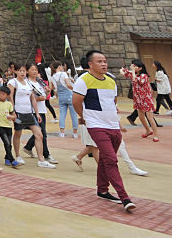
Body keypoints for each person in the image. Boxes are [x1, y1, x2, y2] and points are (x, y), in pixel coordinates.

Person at [72, 49, 136, 211]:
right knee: (111, 160)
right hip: (96, 125)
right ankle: (124, 197)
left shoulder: (111, 81)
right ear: (90, 64)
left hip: (112, 125)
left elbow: (113, 102)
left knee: (106, 159)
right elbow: (76, 102)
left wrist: (117, 122)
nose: (104, 64)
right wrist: (85, 117)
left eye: (105, 61)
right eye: (99, 61)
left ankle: (102, 190)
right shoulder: (83, 80)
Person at [8, 65, 53, 168]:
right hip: (18, 113)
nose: (22, 73)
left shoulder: (28, 83)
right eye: (20, 71)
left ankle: (41, 160)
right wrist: (13, 112)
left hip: (29, 113)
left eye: (23, 71)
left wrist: (37, 113)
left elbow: (32, 98)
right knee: (18, 133)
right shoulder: (13, 82)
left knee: (39, 134)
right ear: (16, 72)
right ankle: (17, 155)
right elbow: (10, 97)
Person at [23, 63, 55, 161]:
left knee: (40, 132)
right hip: (32, 111)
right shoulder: (27, 83)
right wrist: (38, 99)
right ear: (27, 71)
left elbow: (44, 94)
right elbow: (26, 98)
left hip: (41, 109)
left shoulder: (40, 81)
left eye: (36, 70)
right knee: (42, 133)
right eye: (32, 70)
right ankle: (46, 155)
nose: (35, 72)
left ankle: (28, 147)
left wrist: (47, 92)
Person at [121, 60, 159, 142]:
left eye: (135, 66)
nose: (133, 67)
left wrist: (132, 71)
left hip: (146, 99)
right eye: (133, 66)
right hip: (138, 99)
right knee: (141, 117)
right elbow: (125, 73)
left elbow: (135, 80)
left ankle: (156, 135)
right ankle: (148, 131)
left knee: (150, 118)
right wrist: (123, 70)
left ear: (140, 68)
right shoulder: (134, 74)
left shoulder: (144, 76)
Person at [0, 85, 19, 168]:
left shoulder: (9, 104)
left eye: (3, 94)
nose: (1, 95)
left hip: (8, 126)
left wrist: (12, 117)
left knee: (9, 144)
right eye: (0, 93)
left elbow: (14, 116)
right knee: (6, 143)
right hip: (0, 125)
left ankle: (7, 158)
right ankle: (12, 160)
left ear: (7, 95)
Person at [50, 62, 78, 137]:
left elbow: (51, 88)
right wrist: (74, 89)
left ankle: (62, 132)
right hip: (69, 95)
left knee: (62, 114)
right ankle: (75, 133)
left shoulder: (52, 77)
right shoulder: (63, 74)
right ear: (59, 66)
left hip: (61, 97)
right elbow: (68, 85)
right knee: (73, 114)